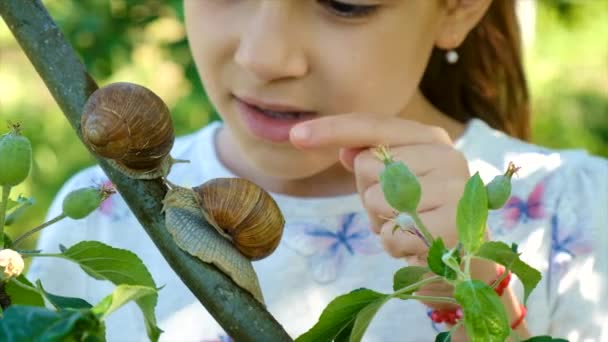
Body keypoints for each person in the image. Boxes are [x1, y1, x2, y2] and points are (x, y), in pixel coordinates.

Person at [27, 1, 608, 341]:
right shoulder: (102, 212)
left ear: (457, 7)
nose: (264, 56)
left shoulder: (576, 216)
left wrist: (474, 293)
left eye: (344, 2)